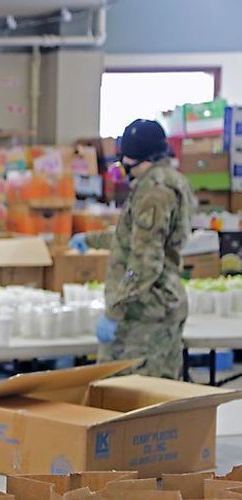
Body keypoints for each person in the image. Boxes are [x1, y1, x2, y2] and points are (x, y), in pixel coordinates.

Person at [69, 119, 196, 379]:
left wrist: (115, 310)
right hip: (161, 306)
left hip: (144, 314)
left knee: (128, 396)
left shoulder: (154, 192)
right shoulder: (173, 180)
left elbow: (145, 260)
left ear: (135, 156)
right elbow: (135, 237)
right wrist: (91, 239)